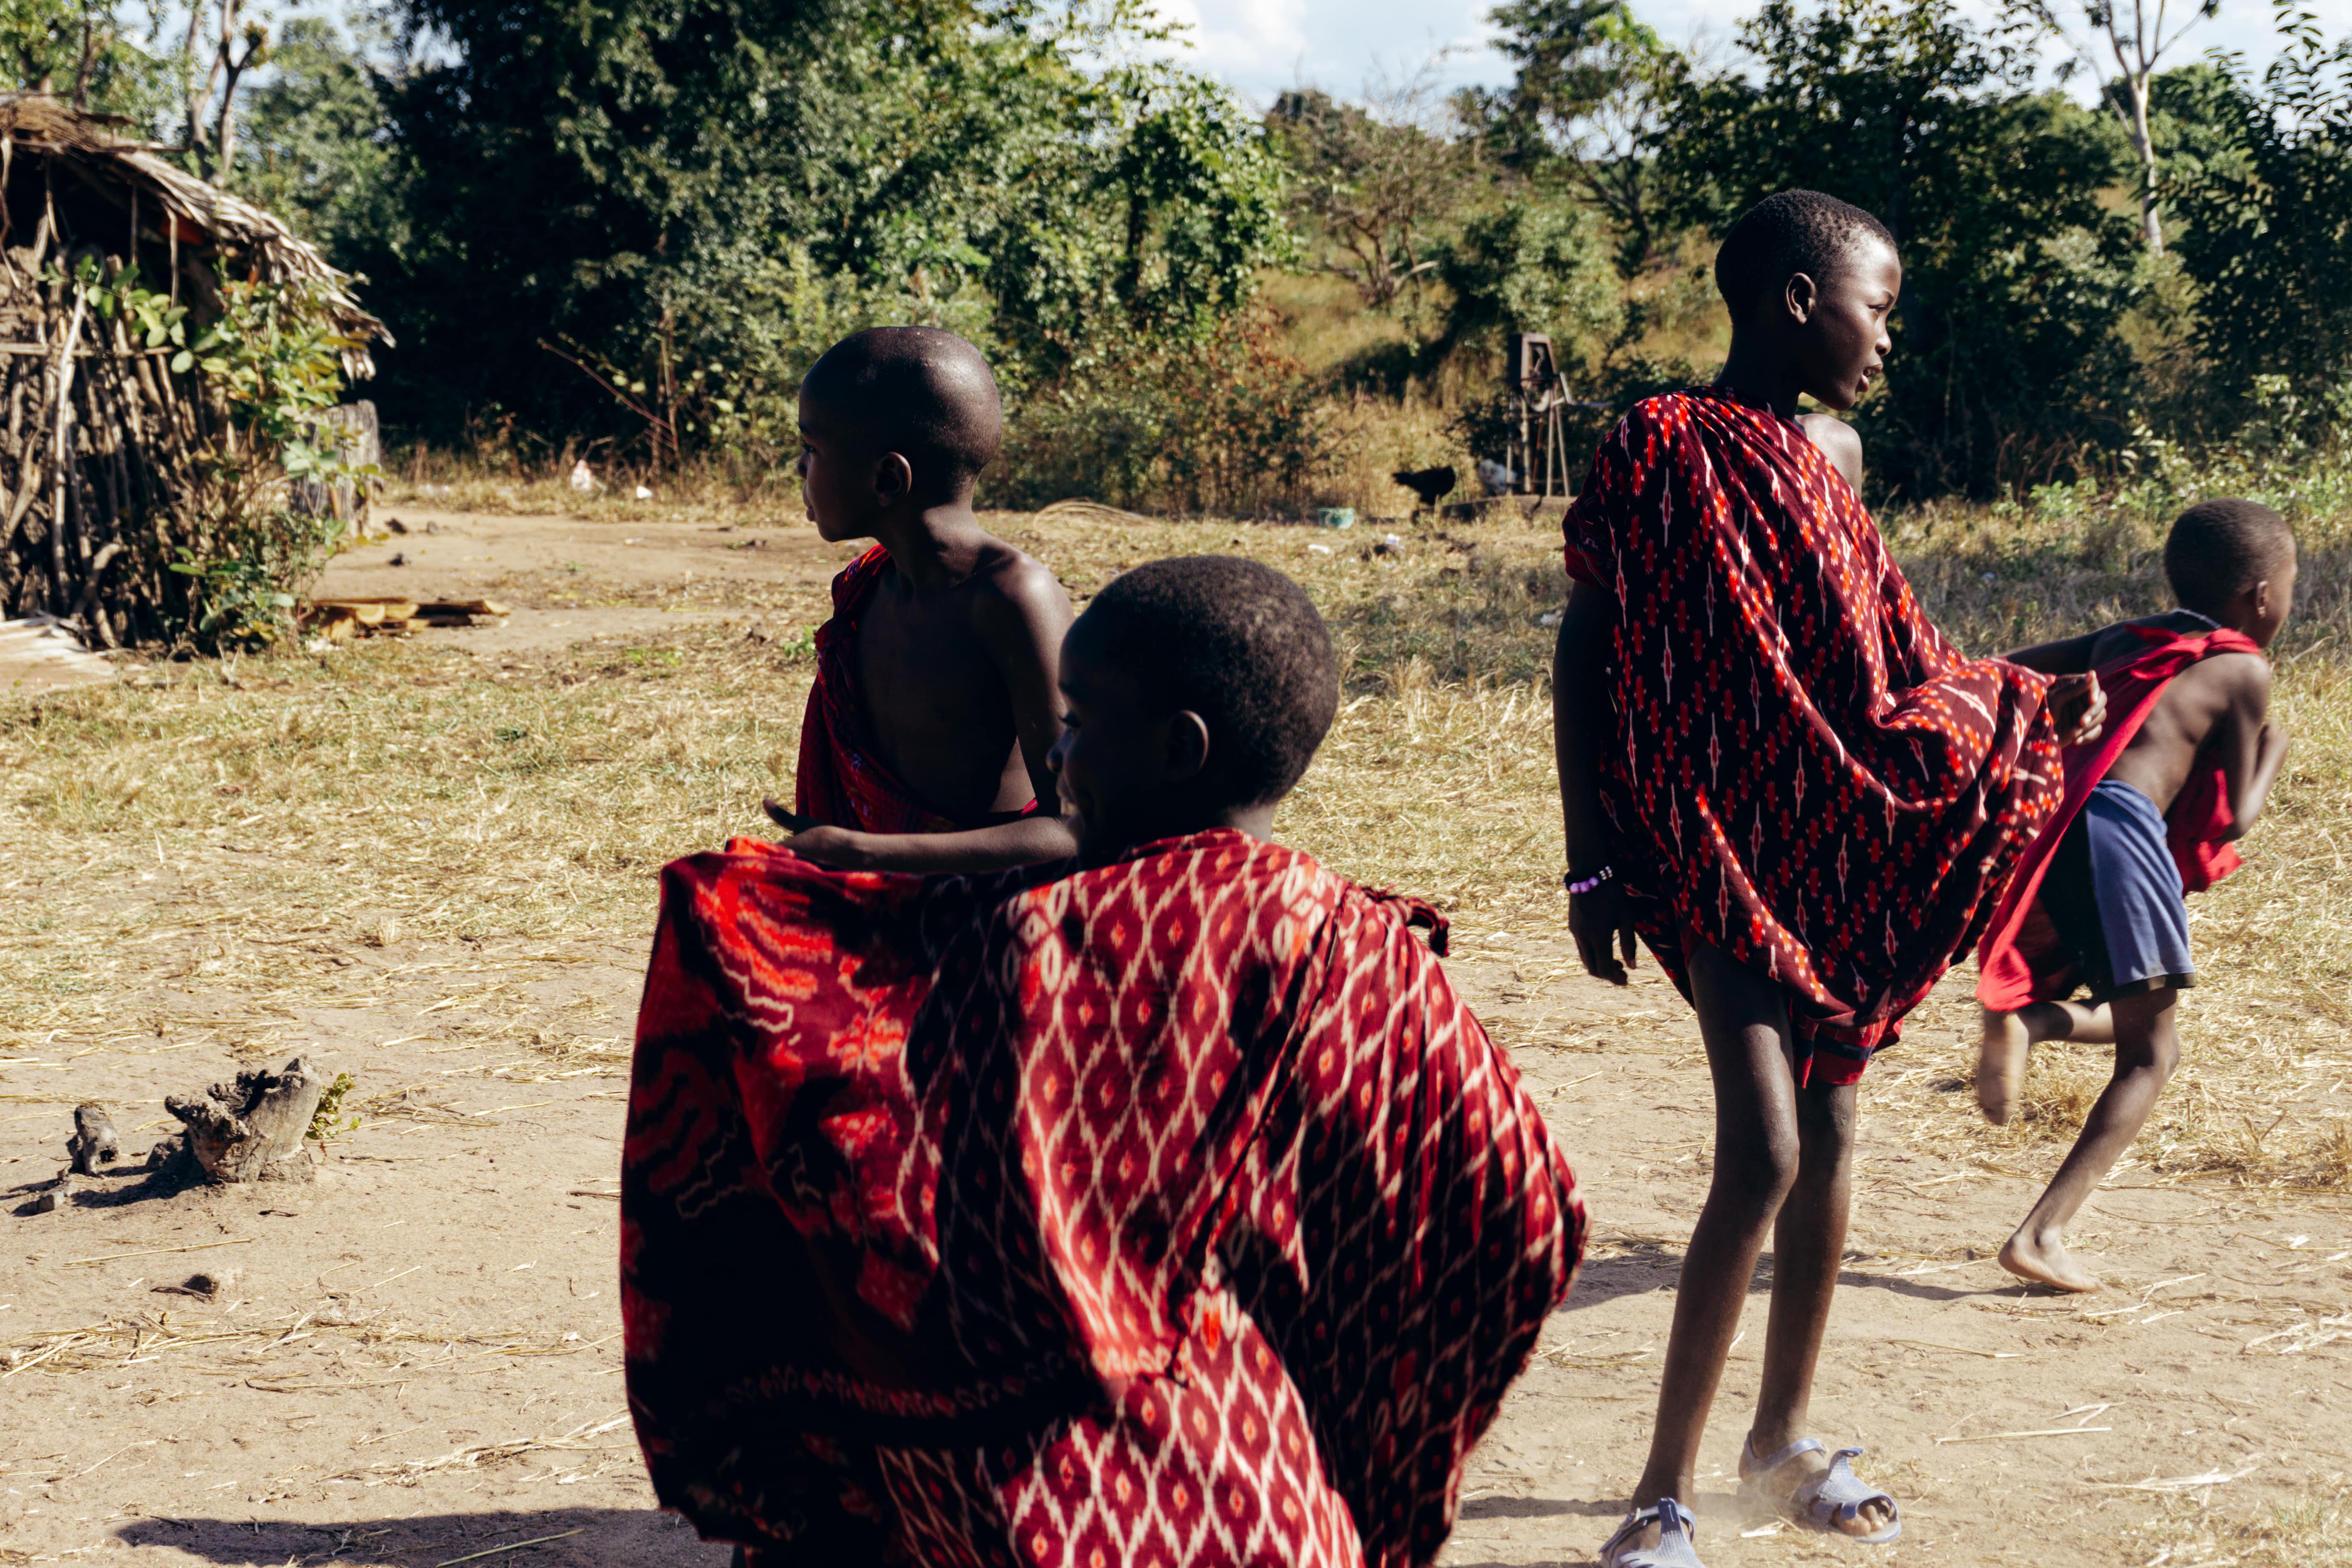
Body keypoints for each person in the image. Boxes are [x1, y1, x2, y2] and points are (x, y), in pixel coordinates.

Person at [625, 556, 1586, 1568]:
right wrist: (1355, 1401)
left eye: (1077, 723)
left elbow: (865, 1164)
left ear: (1176, 749)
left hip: (1009, 1514)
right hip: (1255, 1503)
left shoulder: (1029, 941)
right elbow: (1525, 1216)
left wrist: (739, 915)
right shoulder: (1356, 949)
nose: (1056, 754)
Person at [1550, 189, 2106, 1568]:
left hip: (1836, 843)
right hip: (1710, 843)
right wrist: (1586, 856)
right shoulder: (1654, 445)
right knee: (1763, 1148)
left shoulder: (1827, 461)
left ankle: (1780, 1439)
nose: (1886, 338)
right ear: (1797, 300)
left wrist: (2023, 697)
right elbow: (1585, 648)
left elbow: (1892, 662)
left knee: (1833, 1133)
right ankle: (1659, 1494)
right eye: (1879, 308)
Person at [1974, 499, 2295, 1292]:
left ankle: (2032, 1021)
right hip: (2121, 831)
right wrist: (2274, 752)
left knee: (2135, 1013)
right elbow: (2237, 816)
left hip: (2057, 825)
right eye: (2292, 586)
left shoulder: (2132, 638)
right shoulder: (2244, 669)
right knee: (2154, 1054)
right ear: (2262, 596)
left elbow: (2008, 669)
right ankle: (2041, 1234)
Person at [766, 326, 1081, 872]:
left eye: (812, 448)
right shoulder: (866, 589)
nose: (800, 466)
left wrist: (868, 854)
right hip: (881, 885)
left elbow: (1078, 828)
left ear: (887, 479)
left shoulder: (1014, 600)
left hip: (985, 902)